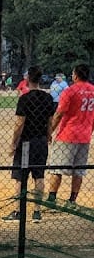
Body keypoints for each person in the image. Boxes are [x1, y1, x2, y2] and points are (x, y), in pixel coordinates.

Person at [2, 65, 55, 223]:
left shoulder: (24, 99)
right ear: (40, 79)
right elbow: (50, 121)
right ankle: (37, 212)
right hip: (40, 141)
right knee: (39, 176)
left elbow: (20, 123)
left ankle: (18, 211)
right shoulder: (48, 98)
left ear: (27, 79)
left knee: (20, 177)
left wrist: (13, 142)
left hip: (26, 143)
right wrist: (48, 135)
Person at [45, 62, 94, 209]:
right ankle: (72, 200)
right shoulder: (93, 90)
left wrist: (50, 131)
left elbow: (59, 114)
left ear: (77, 76)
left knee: (57, 168)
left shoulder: (70, 91)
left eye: (73, 73)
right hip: (85, 135)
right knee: (78, 170)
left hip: (68, 134)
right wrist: (90, 131)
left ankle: (51, 199)